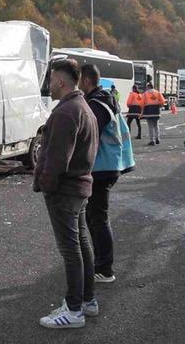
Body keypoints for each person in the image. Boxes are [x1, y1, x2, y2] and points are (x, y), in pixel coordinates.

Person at [34, 59, 98, 329]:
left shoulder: (66, 112)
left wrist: (46, 186)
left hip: (65, 191)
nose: (48, 85)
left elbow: (57, 159)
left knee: (70, 250)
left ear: (60, 81)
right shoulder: (83, 107)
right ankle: (87, 300)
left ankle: (73, 310)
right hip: (81, 187)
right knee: (82, 245)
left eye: (50, 80)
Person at [79, 64, 135, 285]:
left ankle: (105, 268)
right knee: (94, 217)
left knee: (98, 218)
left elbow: (89, 135)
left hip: (102, 167)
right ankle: (101, 264)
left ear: (85, 80)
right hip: (110, 164)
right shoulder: (105, 98)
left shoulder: (97, 104)